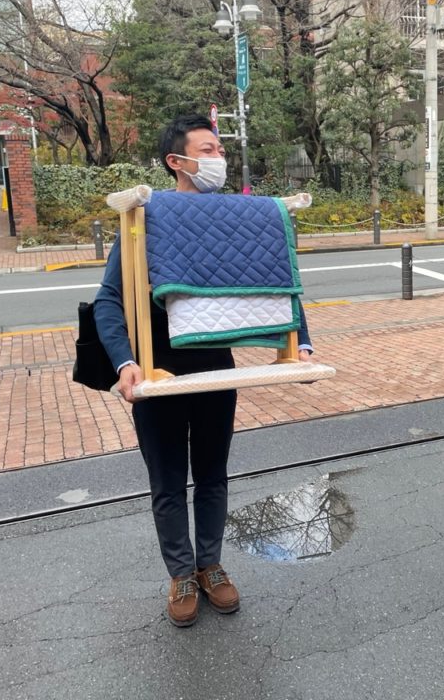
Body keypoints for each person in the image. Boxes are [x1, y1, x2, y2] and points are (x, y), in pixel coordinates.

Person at [95, 113, 314, 627]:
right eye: (208, 151)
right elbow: (108, 300)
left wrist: (300, 344)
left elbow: (276, 279)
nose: (219, 159)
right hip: (158, 372)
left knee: (213, 475)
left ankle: (210, 565)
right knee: (169, 481)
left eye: (220, 150)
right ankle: (181, 574)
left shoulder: (237, 218)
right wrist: (125, 362)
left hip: (216, 368)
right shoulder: (144, 219)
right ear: (176, 161)